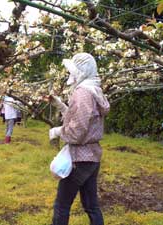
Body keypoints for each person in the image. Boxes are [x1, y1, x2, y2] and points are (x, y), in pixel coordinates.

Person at [49, 53, 110, 225]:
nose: (71, 75)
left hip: (80, 157)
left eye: (73, 71)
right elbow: (82, 117)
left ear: (81, 71)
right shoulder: (94, 90)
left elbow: (78, 130)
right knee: (91, 205)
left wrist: (59, 131)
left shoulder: (82, 93)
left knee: (62, 205)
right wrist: (61, 105)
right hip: (92, 157)